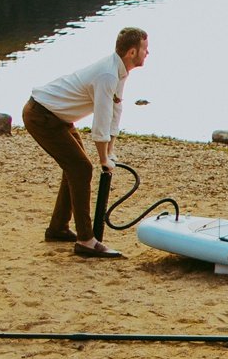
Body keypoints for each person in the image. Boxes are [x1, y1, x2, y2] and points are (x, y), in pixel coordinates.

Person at [23, 27, 149, 259]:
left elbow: (114, 110)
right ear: (132, 52)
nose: (147, 52)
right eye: (145, 48)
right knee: (81, 168)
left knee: (74, 166)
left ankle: (58, 228)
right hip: (41, 115)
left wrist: (110, 152)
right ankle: (86, 240)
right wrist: (102, 160)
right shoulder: (108, 75)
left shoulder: (119, 71)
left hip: (58, 118)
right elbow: (100, 121)